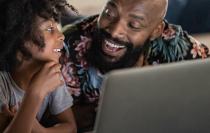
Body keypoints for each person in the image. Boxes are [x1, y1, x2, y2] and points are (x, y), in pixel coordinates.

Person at [59, 0, 209, 132]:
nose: (115, 31)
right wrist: (116, 108)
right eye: (109, 14)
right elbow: (45, 116)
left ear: (156, 31)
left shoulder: (175, 45)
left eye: (133, 25)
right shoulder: (67, 45)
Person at [0, 0, 77, 133]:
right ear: (19, 37)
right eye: (50, 29)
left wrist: (39, 130)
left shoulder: (51, 72)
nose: (61, 36)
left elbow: (70, 127)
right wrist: (35, 92)